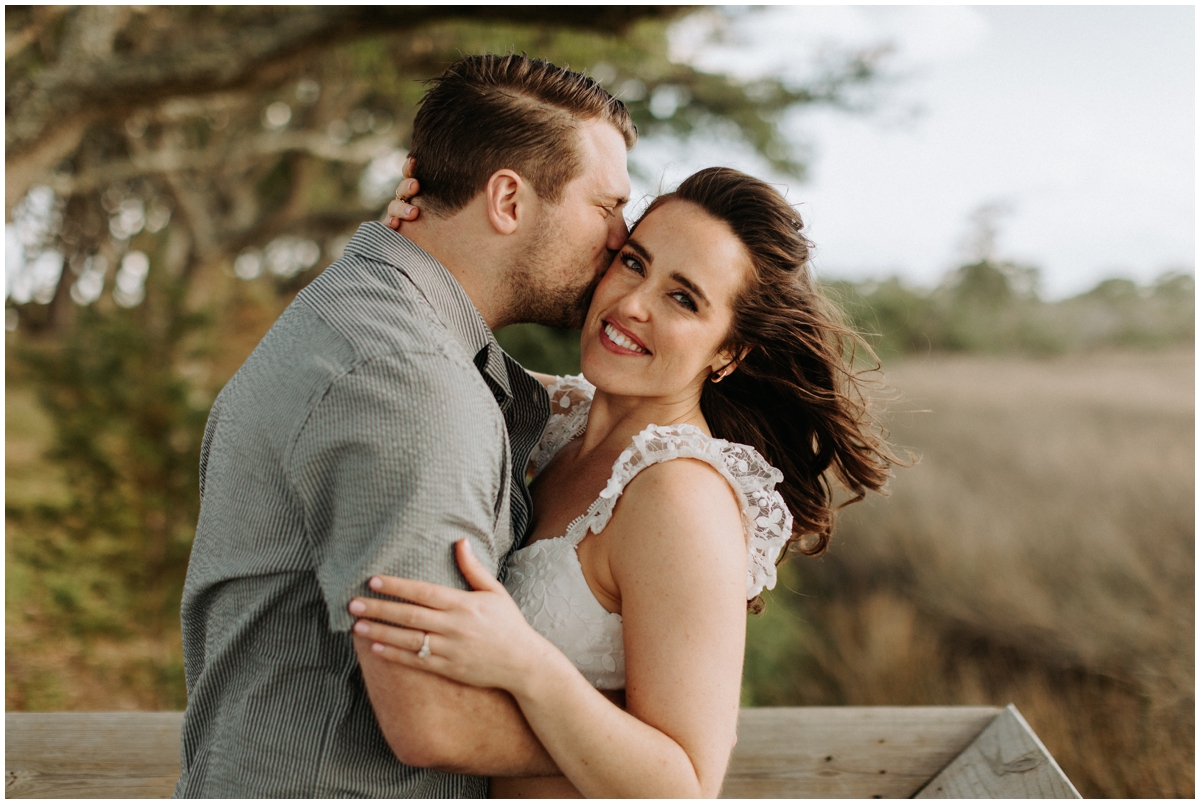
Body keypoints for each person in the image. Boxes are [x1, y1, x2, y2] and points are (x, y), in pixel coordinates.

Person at [353, 166, 902, 797]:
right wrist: (430, 238)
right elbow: (440, 345)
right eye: (635, 263)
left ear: (728, 352)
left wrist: (529, 667)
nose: (632, 304)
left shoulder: (678, 495)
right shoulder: (559, 417)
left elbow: (685, 785)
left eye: (683, 298)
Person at [174, 54, 636, 797]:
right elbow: (436, 721)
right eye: (607, 206)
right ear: (509, 201)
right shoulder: (408, 381)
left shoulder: (362, 311)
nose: (620, 238)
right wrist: (639, 742)